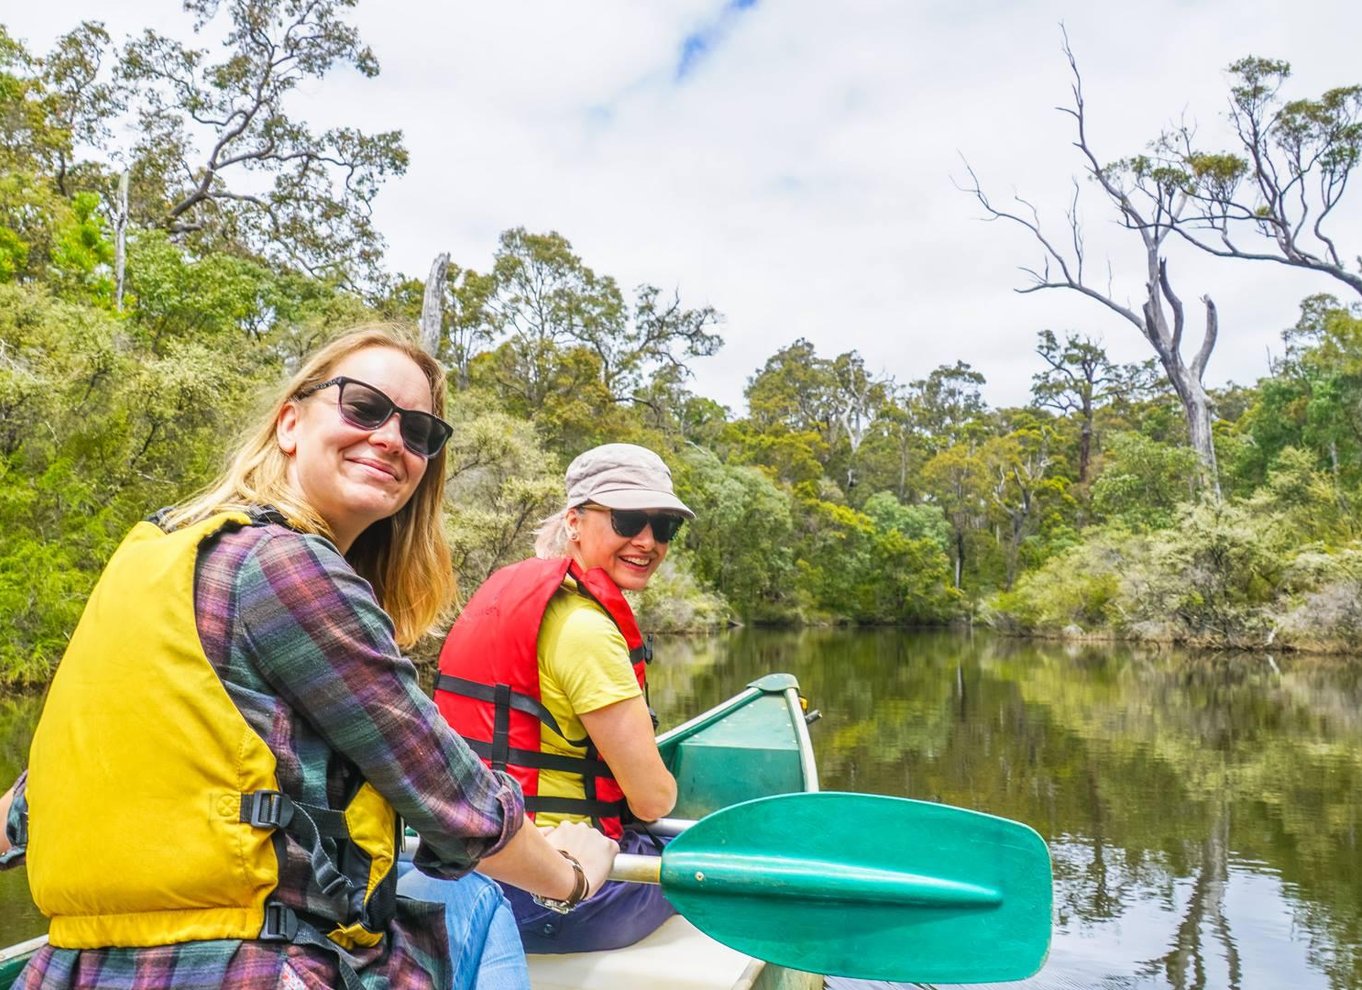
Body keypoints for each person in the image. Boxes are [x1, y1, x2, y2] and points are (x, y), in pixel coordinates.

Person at [0, 326, 617, 990]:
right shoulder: (285, 568)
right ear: (290, 422)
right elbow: (455, 804)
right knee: (479, 899)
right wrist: (570, 877)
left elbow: (32, 803)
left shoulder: (158, 553)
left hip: (70, 968)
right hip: (248, 969)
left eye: (419, 432)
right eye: (364, 407)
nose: (390, 438)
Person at [430, 442, 693, 953]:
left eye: (664, 527)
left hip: (471, 868)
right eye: (628, 519)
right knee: (702, 855)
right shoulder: (586, 629)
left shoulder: (508, 597)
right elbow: (653, 799)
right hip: (551, 891)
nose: (648, 541)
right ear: (574, 520)